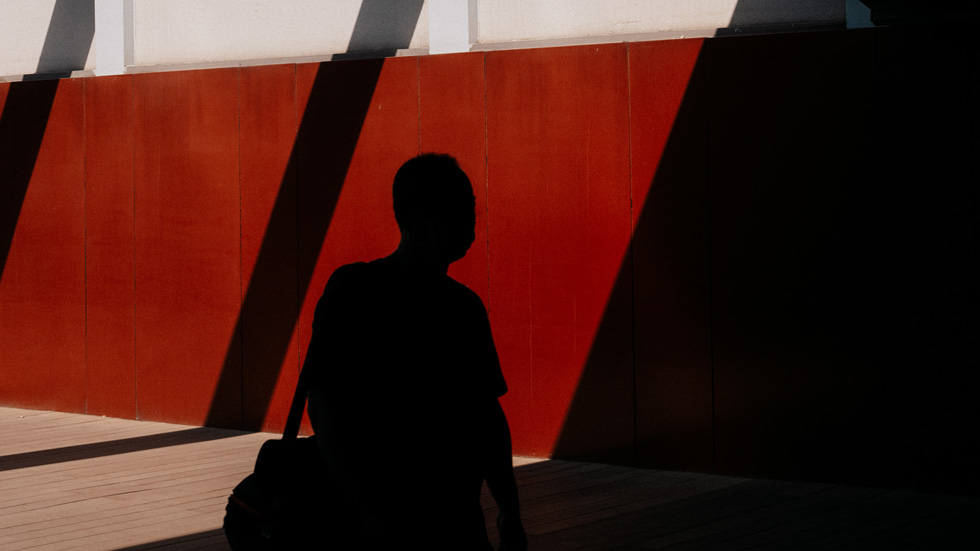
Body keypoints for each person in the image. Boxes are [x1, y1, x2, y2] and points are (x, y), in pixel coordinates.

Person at [304, 154, 527, 550]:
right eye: (459, 210)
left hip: (401, 516)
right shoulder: (461, 308)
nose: (470, 222)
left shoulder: (354, 291)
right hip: (433, 516)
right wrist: (508, 508)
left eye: (469, 209)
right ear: (418, 221)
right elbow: (486, 416)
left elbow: (325, 403)